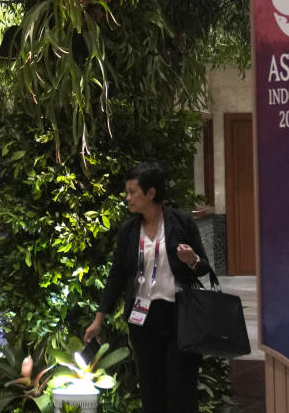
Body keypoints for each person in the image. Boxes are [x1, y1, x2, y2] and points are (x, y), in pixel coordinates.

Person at [83, 162, 210, 413]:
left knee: (181, 388)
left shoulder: (180, 222)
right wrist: (99, 318)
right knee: (152, 390)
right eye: (127, 192)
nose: (127, 198)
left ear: (150, 194)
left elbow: (203, 267)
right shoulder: (129, 231)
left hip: (179, 317)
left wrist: (191, 260)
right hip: (143, 318)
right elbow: (117, 276)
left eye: (132, 192)